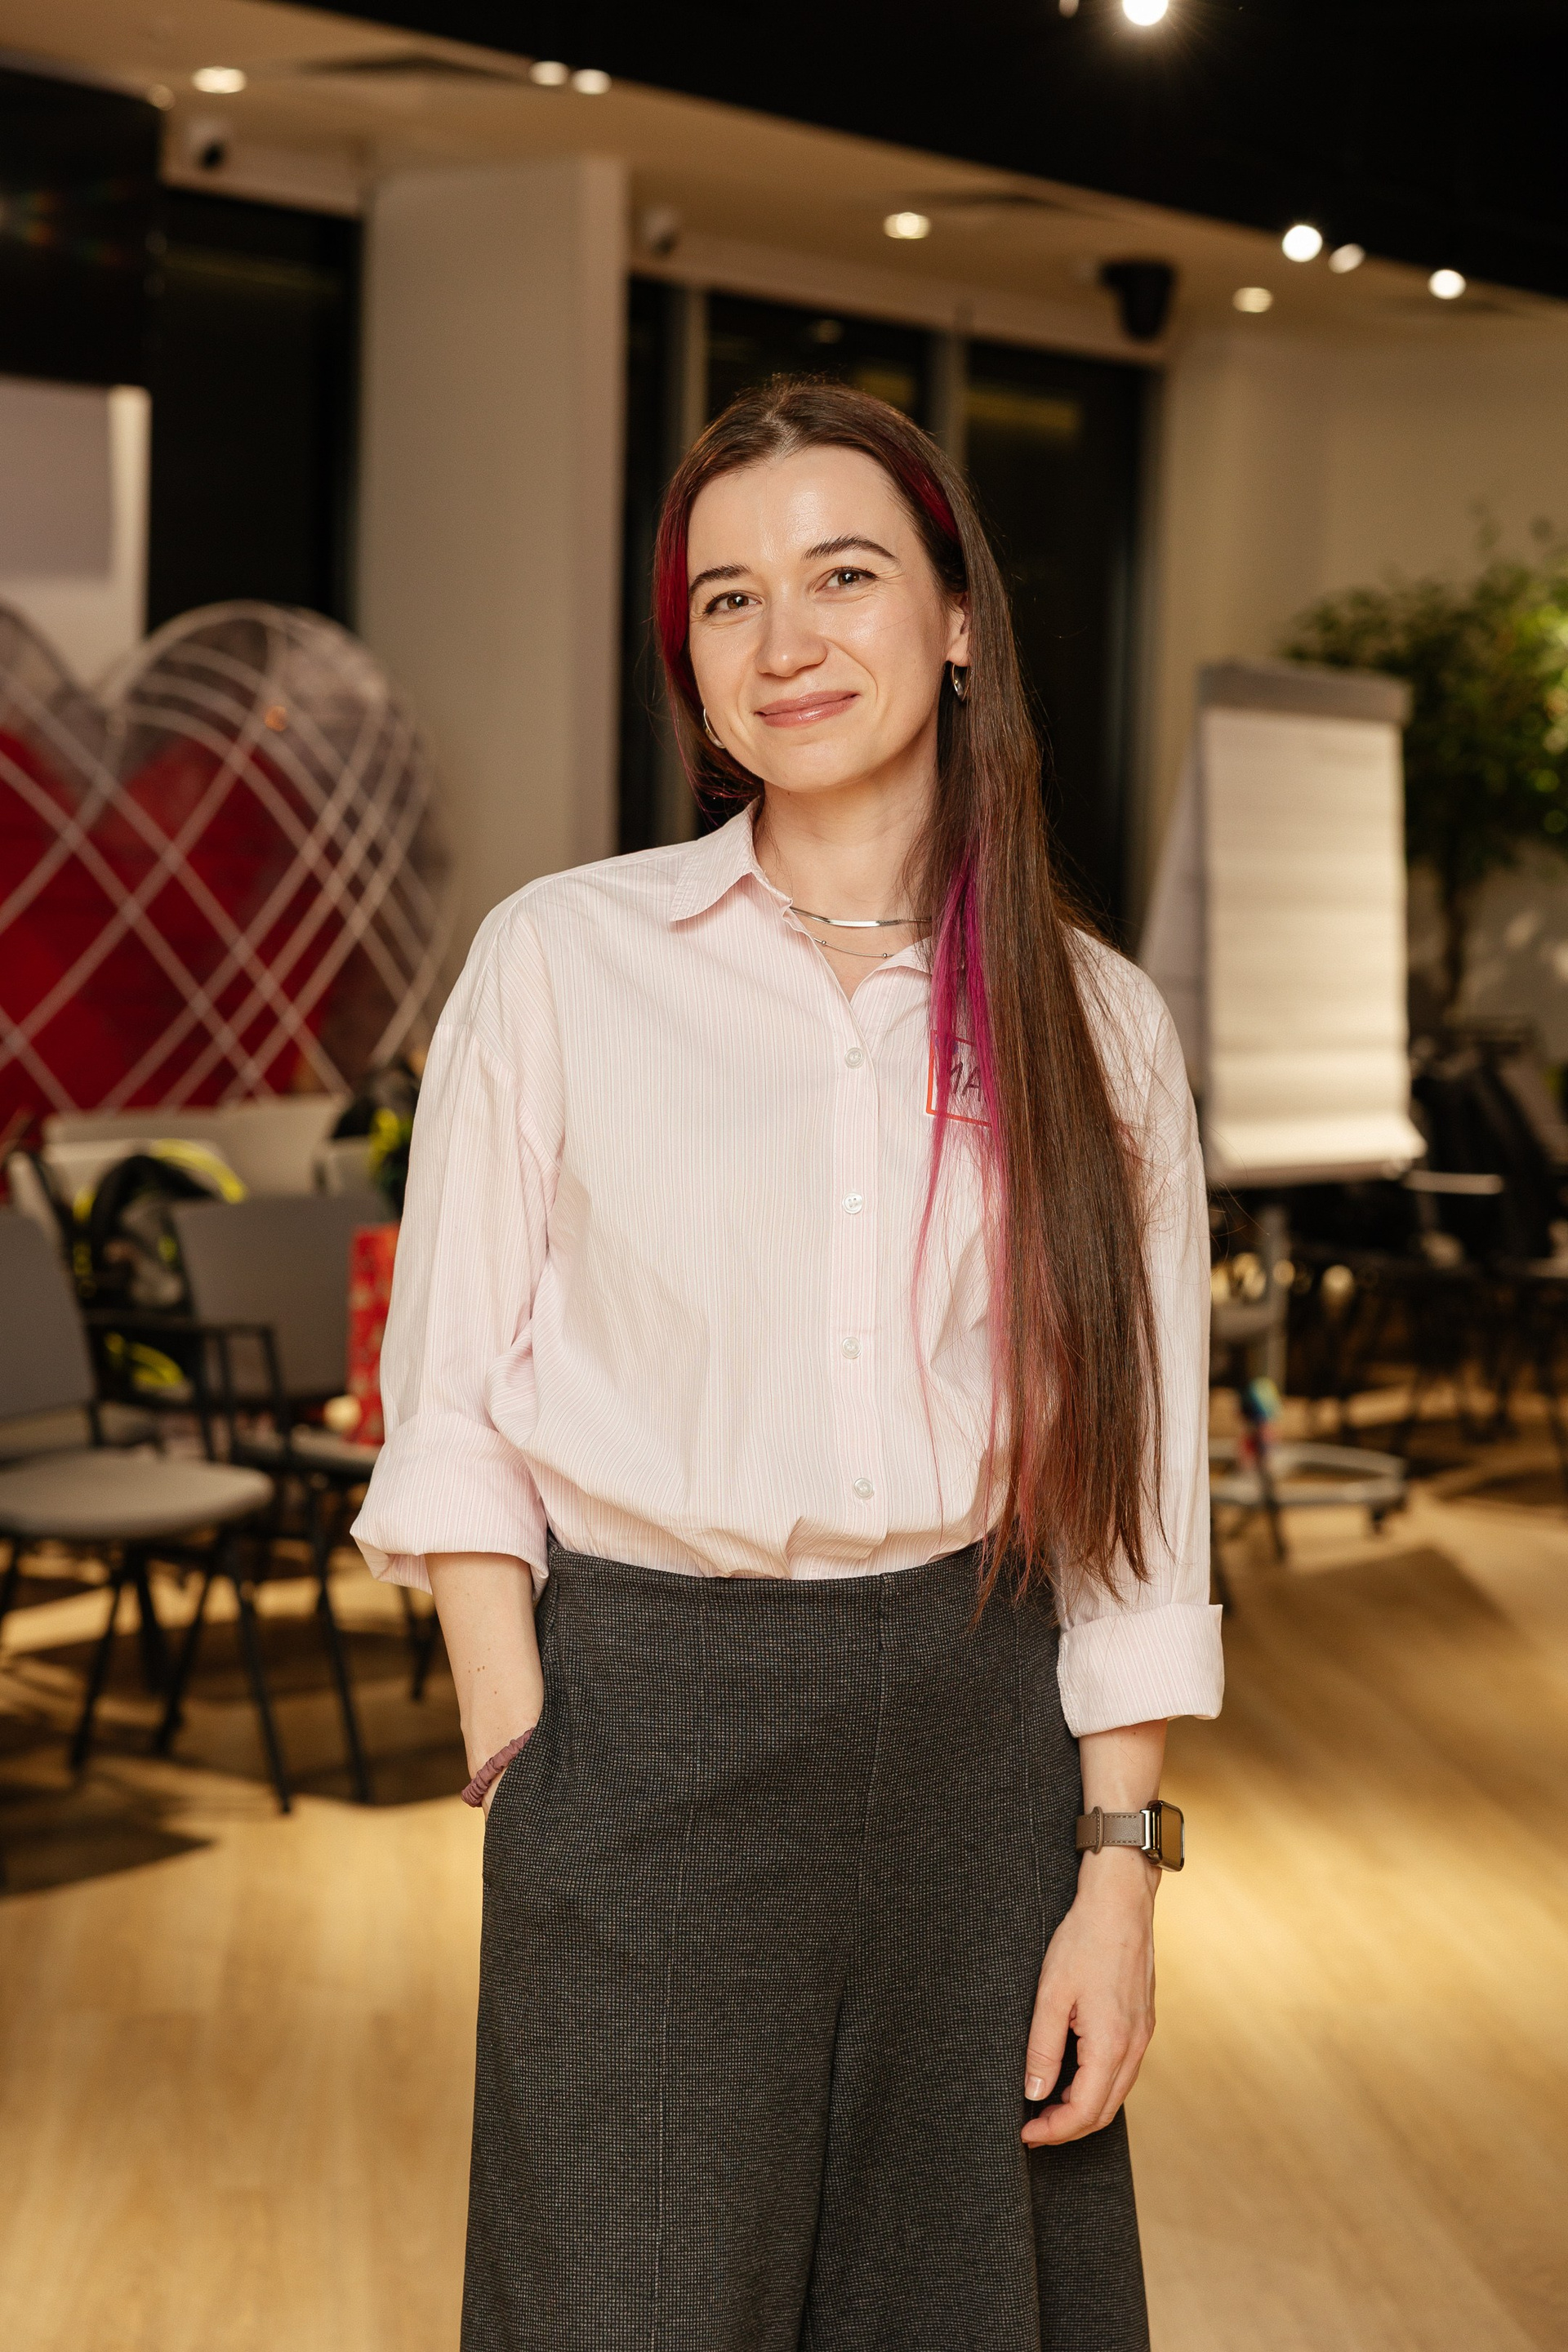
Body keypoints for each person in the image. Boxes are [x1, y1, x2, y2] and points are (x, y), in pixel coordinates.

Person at [353, 377, 1221, 2352]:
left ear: (959, 618)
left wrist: (1117, 1877)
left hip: (977, 1752)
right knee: (624, 2299)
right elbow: (453, 1392)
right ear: (691, 662)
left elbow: (1133, 1503)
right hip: (643, 1729)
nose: (785, 640)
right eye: (727, 599)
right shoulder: (564, 958)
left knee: (955, 2306)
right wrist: (515, 1726)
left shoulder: (1097, 1021)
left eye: (844, 576)